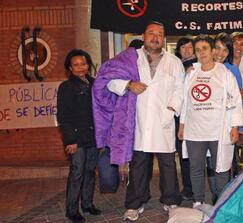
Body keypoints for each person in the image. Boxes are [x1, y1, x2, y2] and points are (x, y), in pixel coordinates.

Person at [93, 21, 184, 221]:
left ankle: (171, 201)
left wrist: (171, 110)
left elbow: (180, 89)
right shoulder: (129, 58)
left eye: (160, 34)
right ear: (143, 36)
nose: (155, 37)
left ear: (164, 38)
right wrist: (128, 84)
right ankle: (135, 204)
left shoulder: (174, 62)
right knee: (139, 166)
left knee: (168, 165)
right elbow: (108, 79)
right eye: (151, 33)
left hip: (164, 121)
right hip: (139, 121)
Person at [178, 35, 243, 208]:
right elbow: (185, 101)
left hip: (218, 130)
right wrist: (182, 126)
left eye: (205, 49)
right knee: (196, 168)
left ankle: (222, 203)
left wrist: (235, 126)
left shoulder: (224, 73)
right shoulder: (191, 73)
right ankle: (198, 201)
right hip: (194, 130)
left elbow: (235, 101)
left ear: (212, 50)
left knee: (221, 168)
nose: (201, 53)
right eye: (198, 50)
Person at [57, 49, 101, 222]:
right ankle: (72, 210)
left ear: (88, 65)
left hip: (93, 137)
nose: (80, 67)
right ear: (70, 67)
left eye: (83, 63)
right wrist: (70, 140)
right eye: (76, 65)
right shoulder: (66, 87)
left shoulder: (95, 84)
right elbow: (63, 116)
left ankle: (88, 204)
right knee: (77, 173)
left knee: (90, 172)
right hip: (77, 140)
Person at [174, 36, 195, 200]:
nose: (187, 50)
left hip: (195, 115)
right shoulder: (174, 65)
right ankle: (187, 188)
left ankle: (196, 187)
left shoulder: (199, 65)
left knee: (196, 153)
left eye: (190, 47)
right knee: (183, 154)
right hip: (177, 115)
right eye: (183, 47)